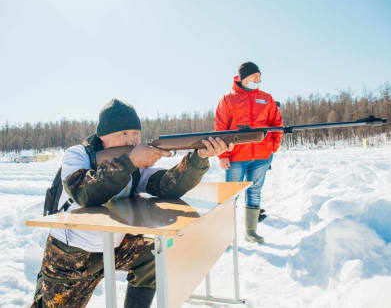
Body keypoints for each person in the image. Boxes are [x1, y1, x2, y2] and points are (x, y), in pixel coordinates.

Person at [32, 98, 233, 308]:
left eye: (136, 133)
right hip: (71, 256)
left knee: (155, 256)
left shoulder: (136, 164)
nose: (133, 140)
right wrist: (130, 162)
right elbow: (83, 193)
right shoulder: (78, 154)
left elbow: (167, 186)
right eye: (124, 133)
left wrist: (198, 158)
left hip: (113, 247)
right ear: (103, 136)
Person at [214, 62, 283, 244]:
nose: (258, 80)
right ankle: (224, 237)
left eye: (260, 77)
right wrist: (223, 156)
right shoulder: (228, 99)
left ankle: (250, 232)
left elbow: (277, 124)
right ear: (244, 77)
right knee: (231, 195)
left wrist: (272, 148)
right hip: (236, 157)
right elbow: (220, 128)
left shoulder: (266, 98)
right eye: (255, 77)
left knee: (255, 192)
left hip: (261, 157)